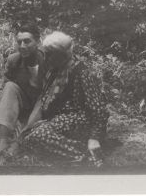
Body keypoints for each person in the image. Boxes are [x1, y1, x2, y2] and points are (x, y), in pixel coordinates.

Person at [20, 31, 109, 167]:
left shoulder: (81, 71)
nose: (47, 58)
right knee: (27, 138)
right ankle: (77, 147)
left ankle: (84, 156)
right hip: (60, 119)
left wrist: (94, 137)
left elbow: (98, 108)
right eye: (46, 54)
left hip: (80, 119)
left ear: (62, 54)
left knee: (38, 136)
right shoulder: (55, 70)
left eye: (50, 54)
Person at [0, 23, 45, 152]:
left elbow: (51, 92)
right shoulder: (14, 60)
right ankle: (3, 139)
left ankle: (18, 141)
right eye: (19, 42)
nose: (22, 46)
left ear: (37, 41)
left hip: (42, 103)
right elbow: (3, 84)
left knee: (43, 96)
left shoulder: (48, 61)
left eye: (27, 41)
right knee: (9, 86)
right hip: (23, 103)